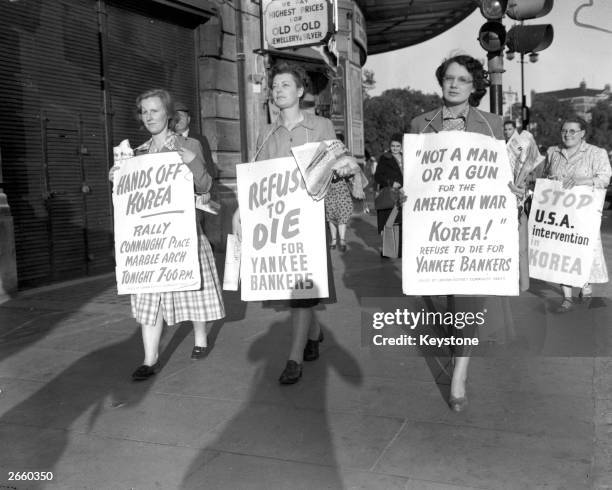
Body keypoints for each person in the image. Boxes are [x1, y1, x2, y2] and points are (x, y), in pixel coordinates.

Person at [410, 54, 522, 412]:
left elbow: (507, 174)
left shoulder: (491, 124)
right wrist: (405, 192)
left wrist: (514, 191)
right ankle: (458, 341)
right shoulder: (420, 124)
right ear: (441, 82)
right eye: (449, 78)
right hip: (434, 227)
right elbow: (413, 175)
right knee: (445, 300)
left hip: (476, 228)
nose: (454, 84)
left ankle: (458, 374)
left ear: (475, 87)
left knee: (469, 297)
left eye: (462, 79)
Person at [232, 62, 355, 385]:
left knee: (302, 291)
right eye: (274, 86)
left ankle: (293, 358)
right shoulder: (266, 133)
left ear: (300, 90)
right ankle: (314, 335)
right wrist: (241, 210)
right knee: (297, 291)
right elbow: (255, 176)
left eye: (285, 85)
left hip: (308, 220)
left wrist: (343, 167)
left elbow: (336, 163)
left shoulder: (321, 126)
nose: (278, 91)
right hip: (278, 223)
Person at [112, 89, 225, 380]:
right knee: (149, 297)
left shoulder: (189, 145)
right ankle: (150, 359)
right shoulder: (136, 154)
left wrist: (192, 160)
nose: (149, 116)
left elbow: (204, 188)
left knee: (193, 288)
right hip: (149, 241)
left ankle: (200, 337)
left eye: (155, 110)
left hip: (182, 233)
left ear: (168, 114)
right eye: (145, 112)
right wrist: (117, 177)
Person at [542, 116, 611, 312]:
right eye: (564, 130)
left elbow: (604, 178)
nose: (567, 134)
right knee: (561, 254)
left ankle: (586, 287)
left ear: (582, 133)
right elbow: (546, 177)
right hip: (558, 215)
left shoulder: (596, 153)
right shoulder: (553, 152)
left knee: (584, 252)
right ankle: (567, 298)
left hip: (584, 214)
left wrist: (582, 180)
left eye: (572, 131)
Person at [374, 134, 403, 235]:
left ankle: (398, 248)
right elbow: (377, 176)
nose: (395, 148)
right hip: (389, 194)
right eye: (393, 146)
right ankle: (386, 248)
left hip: (403, 194)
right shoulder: (384, 158)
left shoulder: (406, 157)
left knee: (400, 224)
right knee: (387, 223)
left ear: (401, 146)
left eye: (398, 146)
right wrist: (390, 183)